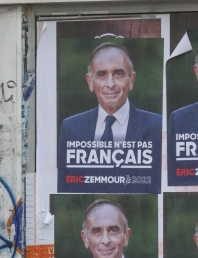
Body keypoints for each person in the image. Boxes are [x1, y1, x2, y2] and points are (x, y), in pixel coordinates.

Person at [57, 43, 162, 184]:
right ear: (90, 81)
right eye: (101, 74)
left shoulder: (157, 127)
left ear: (131, 80)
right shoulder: (71, 128)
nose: (110, 84)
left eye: (118, 74)